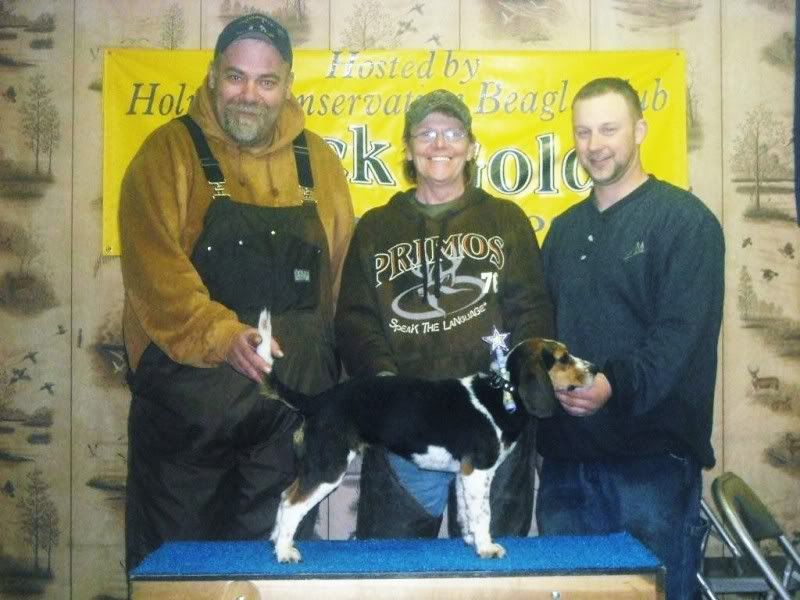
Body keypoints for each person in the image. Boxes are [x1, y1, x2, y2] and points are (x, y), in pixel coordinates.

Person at [119, 13, 354, 571]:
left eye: (266, 81)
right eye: (235, 77)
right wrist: (222, 335)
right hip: (188, 419)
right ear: (212, 75)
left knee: (271, 572)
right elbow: (156, 275)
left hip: (286, 422)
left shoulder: (319, 163)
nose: (249, 95)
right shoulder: (166, 153)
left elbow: (343, 278)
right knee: (179, 574)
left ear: (287, 84)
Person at [335, 89, 554, 540]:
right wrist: (386, 390)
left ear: (472, 147)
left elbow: (532, 312)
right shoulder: (375, 227)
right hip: (407, 430)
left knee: (492, 567)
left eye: (453, 133)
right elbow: (356, 319)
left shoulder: (507, 220)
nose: (440, 144)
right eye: (426, 133)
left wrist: (514, 392)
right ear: (407, 148)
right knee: (391, 569)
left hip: (493, 421)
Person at [535, 77, 724, 599]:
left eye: (609, 129)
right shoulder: (562, 231)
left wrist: (611, 385)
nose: (595, 144)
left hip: (651, 466)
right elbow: (544, 336)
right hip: (566, 467)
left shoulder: (686, 224)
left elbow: (680, 338)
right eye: (583, 132)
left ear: (639, 130)